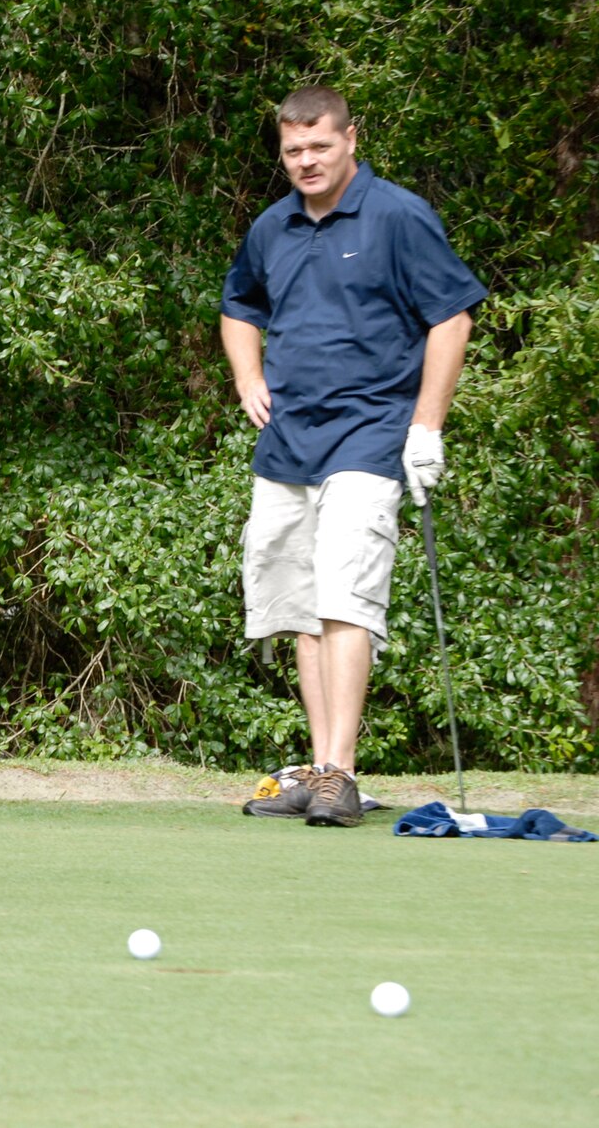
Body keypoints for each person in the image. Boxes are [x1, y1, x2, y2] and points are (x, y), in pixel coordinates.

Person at [220, 85, 486, 827]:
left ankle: (340, 770)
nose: (305, 161)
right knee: (301, 604)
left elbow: (451, 317)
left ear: (350, 140)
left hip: (369, 434)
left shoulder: (397, 214)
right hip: (289, 441)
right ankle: (318, 766)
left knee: (345, 597)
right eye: (293, 150)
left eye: (319, 146)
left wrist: (426, 426)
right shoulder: (273, 226)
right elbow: (239, 306)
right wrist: (248, 376)